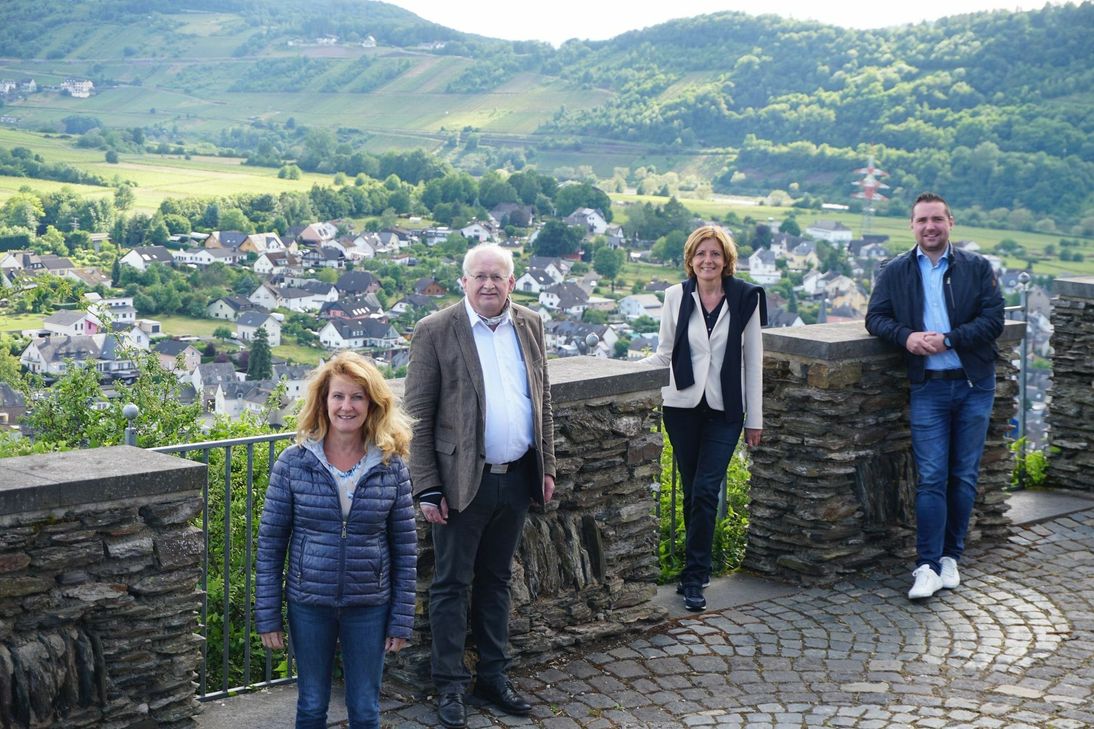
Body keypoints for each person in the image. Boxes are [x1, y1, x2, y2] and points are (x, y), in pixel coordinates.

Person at [403, 243, 555, 729]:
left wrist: (546, 466)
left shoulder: (530, 324)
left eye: (498, 276)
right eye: (479, 276)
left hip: (516, 479)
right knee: (450, 587)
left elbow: (542, 399)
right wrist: (426, 487)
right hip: (459, 484)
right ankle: (449, 686)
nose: (488, 284)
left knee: (497, 582)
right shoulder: (435, 331)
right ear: (463, 282)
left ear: (512, 282)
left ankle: (493, 676)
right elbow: (416, 418)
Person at [255, 351, 416, 729]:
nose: (347, 406)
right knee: (311, 704)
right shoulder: (293, 463)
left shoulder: (391, 466)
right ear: (323, 402)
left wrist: (401, 619)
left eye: (357, 397)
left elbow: (406, 550)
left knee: (365, 708)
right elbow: (271, 544)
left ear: (373, 404)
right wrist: (267, 614)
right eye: (338, 396)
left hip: (369, 605)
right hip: (309, 602)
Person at [866, 192, 1004, 600]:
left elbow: (994, 319)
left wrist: (948, 339)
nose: (930, 227)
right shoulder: (895, 271)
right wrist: (905, 337)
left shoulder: (977, 268)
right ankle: (925, 564)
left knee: (962, 476)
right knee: (930, 478)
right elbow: (876, 318)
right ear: (912, 225)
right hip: (928, 386)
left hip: (974, 384)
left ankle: (950, 558)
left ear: (950, 223)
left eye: (937, 219)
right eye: (922, 220)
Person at [643, 225, 766, 612]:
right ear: (690, 259)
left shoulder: (746, 298)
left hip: (725, 409)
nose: (707, 261)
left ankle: (694, 577)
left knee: (707, 488)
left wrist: (754, 419)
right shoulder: (675, 297)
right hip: (680, 406)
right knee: (693, 489)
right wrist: (619, 370)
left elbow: (754, 361)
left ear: (726, 260)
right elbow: (664, 353)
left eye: (715, 254)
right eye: (701, 254)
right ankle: (694, 568)